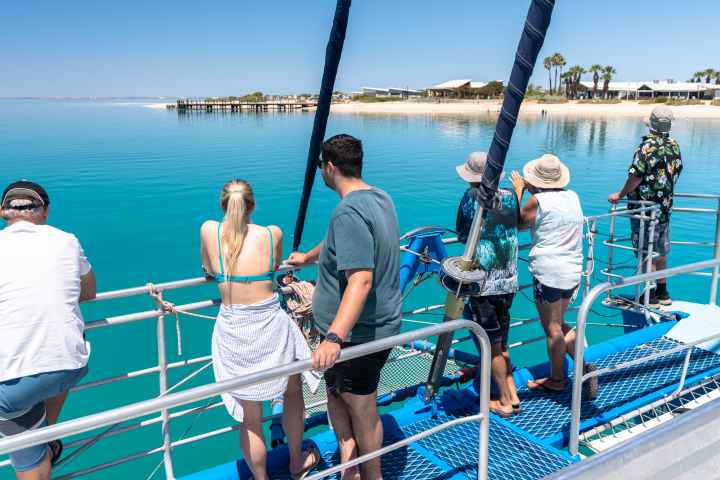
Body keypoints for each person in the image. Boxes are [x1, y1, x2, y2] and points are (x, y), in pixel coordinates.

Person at [288, 134, 402, 480]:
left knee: (363, 409)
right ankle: (349, 458)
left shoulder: (347, 211)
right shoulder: (378, 197)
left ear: (330, 167)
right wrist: (307, 258)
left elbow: (361, 280)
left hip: (356, 337)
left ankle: (372, 475)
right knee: (336, 395)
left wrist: (335, 337)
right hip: (358, 331)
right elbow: (343, 243)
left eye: (322, 166)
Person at [200, 179, 320, 480]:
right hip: (271, 328)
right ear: (252, 205)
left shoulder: (209, 230)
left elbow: (207, 268)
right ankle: (295, 462)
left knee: (250, 418)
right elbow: (274, 265)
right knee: (293, 395)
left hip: (235, 331)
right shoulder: (272, 234)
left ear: (222, 205)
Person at [0, 180, 95, 480]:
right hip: (70, 366)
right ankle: (45, 434)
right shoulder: (67, 240)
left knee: (29, 461)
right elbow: (88, 292)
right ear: (45, 211)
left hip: (10, 388)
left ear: (3, 212)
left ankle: (38, 447)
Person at [511, 155, 597, 398]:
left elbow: (518, 223)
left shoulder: (536, 200)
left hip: (549, 272)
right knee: (558, 324)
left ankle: (557, 379)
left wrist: (519, 192)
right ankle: (582, 368)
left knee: (551, 328)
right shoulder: (573, 196)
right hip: (572, 270)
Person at [455, 152, 521, 417]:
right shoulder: (509, 195)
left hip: (484, 285)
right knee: (502, 342)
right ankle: (513, 394)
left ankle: (504, 401)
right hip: (510, 279)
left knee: (491, 345)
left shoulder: (472, 198)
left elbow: (461, 232)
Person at [608, 106, 683, 306]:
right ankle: (663, 292)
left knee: (645, 252)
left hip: (645, 209)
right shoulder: (674, 145)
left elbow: (636, 176)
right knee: (660, 251)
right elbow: (677, 171)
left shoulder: (646, 147)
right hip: (664, 209)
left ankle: (649, 296)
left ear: (651, 125)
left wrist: (620, 194)